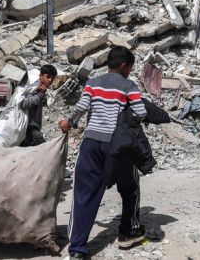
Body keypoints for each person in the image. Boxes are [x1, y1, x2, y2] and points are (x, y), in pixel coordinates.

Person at [58, 46, 147, 259]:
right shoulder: (129, 85)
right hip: (117, 147)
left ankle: (77, 249)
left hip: (91, 144)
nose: (129, 72)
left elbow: (81, 107)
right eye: (130, 68)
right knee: (130, 187)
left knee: (83, 195)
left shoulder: (93, 83)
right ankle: (128, 232)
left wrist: (69, 123)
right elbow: (141, 112)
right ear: (124, 65)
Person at [19, 64, 57, 147]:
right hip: (30, 129)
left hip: (32, 129)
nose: (50, 80)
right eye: (48, 77)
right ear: (40, 76)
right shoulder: (35, 88)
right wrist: (41, 94)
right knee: (45, 150)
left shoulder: (42, 87)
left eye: (53, 78)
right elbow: (24, 103)